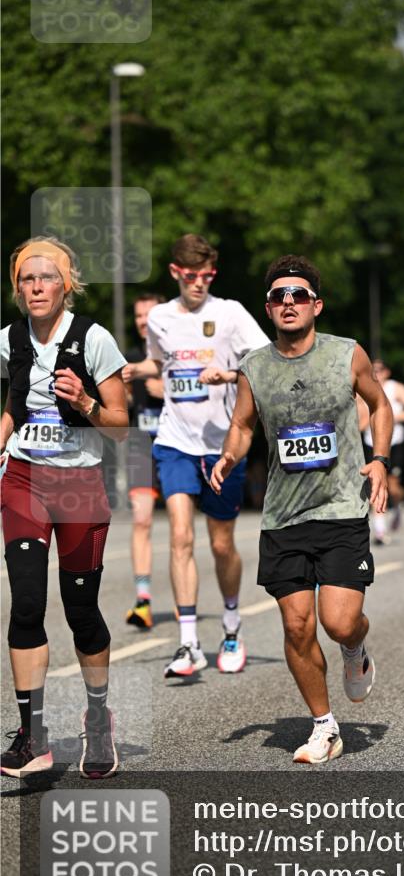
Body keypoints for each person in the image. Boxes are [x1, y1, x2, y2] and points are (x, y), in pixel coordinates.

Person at [210, 255, 392, 765]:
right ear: (267, 308)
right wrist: (229, 453)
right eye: (277, 296)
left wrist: (380, 460)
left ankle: (355, 648)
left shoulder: (346, 354)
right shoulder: (255, 367)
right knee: (295, 627)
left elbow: (380, 405)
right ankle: (324, 726)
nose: (287, 302)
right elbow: (244, 425)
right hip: (283, 516)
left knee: (338, 623)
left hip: (340, 508)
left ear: (317, 304)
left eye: (297, 295)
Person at [0, 237, 128, 778]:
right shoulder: (8, 340)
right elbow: (12, 408)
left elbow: (120, 426)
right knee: (26, 603)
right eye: (27, 278)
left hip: (79, 484)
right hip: (25, 478)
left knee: (80, 612)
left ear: (67, 283)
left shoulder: (93, 339)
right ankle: (32, 736)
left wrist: (83, 402)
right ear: (17, 287)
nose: (36, 286)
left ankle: (98, 719)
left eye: (47, 277)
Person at [122, 234, 269, 677]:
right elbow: (157, 362)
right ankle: (188, 643)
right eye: (191, 277)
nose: (199, 284)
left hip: (223, 445)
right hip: (175, 441)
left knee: (221, 544)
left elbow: (266, 360)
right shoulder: (162, 318)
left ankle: (230, 624)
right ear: (175, 274)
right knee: (180, 535)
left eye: (206, 276)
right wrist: (131, 369)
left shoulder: (230, 314)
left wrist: (228, 373)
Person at [125, 293, 165, 630]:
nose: (142, 321)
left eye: (148, 314)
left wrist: (164, 390)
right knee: (141, 521)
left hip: (177, 446)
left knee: (183, 528)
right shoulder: (130, 359)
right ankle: (143, 601)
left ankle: (187, 597)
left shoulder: (176, 353)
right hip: (141, 447)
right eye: (138, 315)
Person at [358, 359, 404, 544]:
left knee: (393, 486)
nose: (377, 373)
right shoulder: (362, 391)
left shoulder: (396, 388)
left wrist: (390, 415)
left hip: (395, 443)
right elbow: (359, 424)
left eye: (380, 370)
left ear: (387, 372)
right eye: (373, 370)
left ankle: (398, 504)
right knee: (374, 485)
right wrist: (373, 417)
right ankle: (380, 531)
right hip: (371, 443)